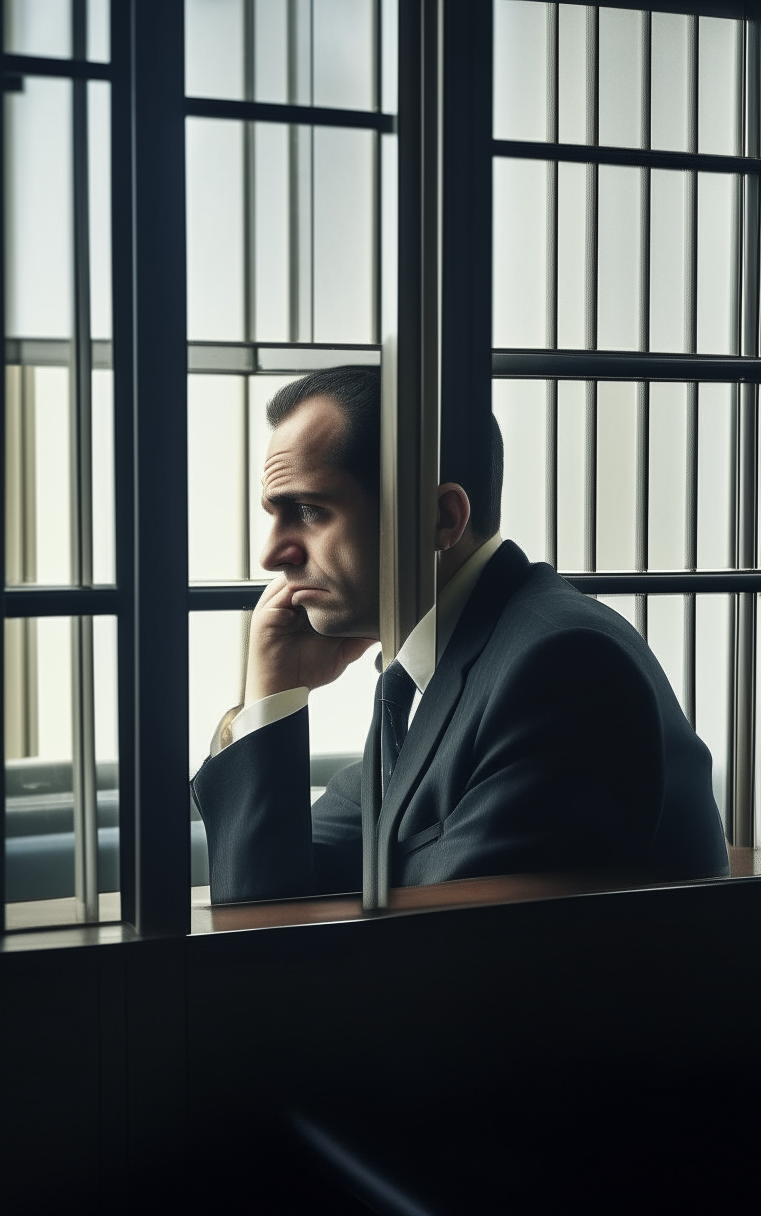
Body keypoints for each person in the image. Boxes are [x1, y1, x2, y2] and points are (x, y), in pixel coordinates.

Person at [191, 366, 729, 904]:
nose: (271, 553)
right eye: (274, 514)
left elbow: (450, 956)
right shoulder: (433, 668)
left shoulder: (561, 668)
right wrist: (273, 689)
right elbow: (264, 903)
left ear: (442, 519)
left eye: (309, 511)